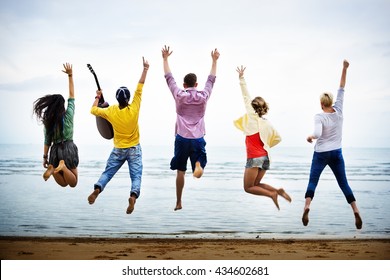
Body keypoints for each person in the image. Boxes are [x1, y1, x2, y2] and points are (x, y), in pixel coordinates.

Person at [302, 60, 363, 229]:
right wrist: (344, 68)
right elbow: (342, 87)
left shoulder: (319, 116)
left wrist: (309, 137)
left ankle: (307, 206)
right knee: (343, 183)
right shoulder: (339, 109)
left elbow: (317, 134)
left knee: (313, 181)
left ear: (321, 103)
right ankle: (355, 210)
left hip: (321, 153)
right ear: (331, 101)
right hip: (336, 153)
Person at [87, 57, 149, 215]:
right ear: (128, 99)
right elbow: (140, 86)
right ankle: (133, 197)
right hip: (134, 148)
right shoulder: (134, 107)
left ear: (117, 99)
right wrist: (145, 69)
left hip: (118, 149)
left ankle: (97, 189)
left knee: (107, 173)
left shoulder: (111, 111)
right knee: (136, 176)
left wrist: (97, 97)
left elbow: (93, 110)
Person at [162, 45, 220, 211]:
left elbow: (168, 78)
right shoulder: (203, 96)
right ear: (196, 84)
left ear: (184, 85)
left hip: (181, 138)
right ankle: (198, 166)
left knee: (180, 171)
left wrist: (165, 59)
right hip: (198, 138)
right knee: (198, 162)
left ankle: (179, 201)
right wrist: (214, 60)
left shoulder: (179, 95)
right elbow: (211, 80)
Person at [234, 66, 291, 210]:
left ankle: (272, 195)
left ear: (252, 108)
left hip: (254, 158)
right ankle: (277, 191)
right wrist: (266, 145)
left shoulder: (252, 117)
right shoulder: (267, 124)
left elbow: (245, 96)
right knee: (256, 185)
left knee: (248, 187)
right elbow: (278, 138)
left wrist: (241, 78)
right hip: (266, 158)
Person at [33, 63, 79, 188]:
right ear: (62, 106)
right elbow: (72, 95)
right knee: (73, 182)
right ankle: (62, 167)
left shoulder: (49, 122)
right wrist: (70, 75)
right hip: (68, 146)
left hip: (54, 151)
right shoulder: (68, 114)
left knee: (64, 184)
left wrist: (45, 157)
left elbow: (47, 141)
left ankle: (53, 169)